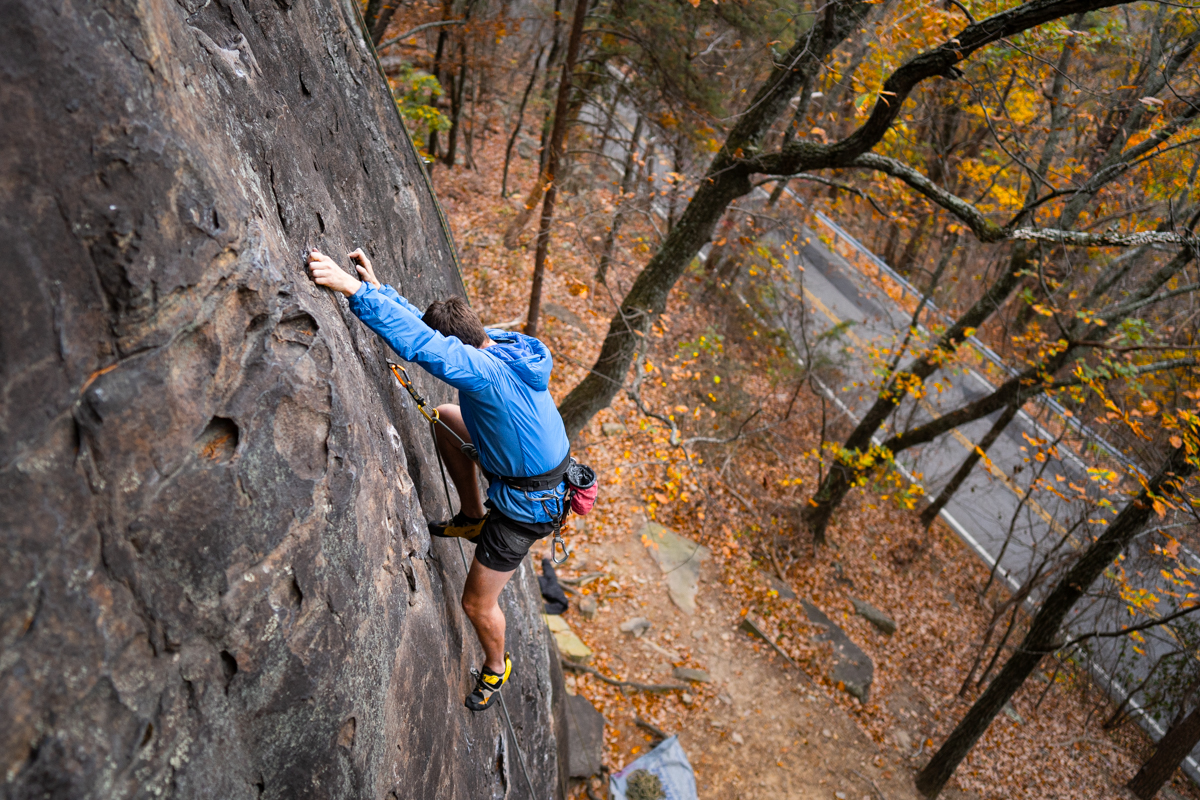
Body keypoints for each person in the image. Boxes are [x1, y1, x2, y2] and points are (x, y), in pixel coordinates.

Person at [307, 247, 570, 712]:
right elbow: (435, 335)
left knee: (476, 604)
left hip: (527, 508)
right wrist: (377, 289)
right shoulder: (503, 345)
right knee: (446, 417)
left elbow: (425, 347)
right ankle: (472, 517)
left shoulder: (484, 373)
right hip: (521, 468)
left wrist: (352, 291)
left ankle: (495, 668)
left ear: (464, 348)